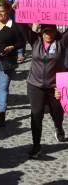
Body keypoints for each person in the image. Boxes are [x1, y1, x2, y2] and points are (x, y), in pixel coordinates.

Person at [25, 24, 68, 159]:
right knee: (36, 114)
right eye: (45, 32)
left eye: (50, 31)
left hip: (55, 86)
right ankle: (36, 146)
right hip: (35, 85)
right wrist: (16, 8)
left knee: (57, 112)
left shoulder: (61, 42)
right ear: (41, 32)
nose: (48, 34)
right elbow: (21, 26)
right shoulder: (35, 40)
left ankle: (59, 127)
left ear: (55, 32)